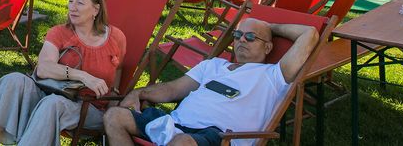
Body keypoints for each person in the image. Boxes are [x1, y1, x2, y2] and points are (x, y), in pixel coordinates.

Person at [102, 17, 319, 146]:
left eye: (251, 37)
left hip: (219, 136)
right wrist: (139, 93)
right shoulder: (214, 65)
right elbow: (173, 88)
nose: (241, 40)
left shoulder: (273, 75)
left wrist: (271, 27)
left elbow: (310, 34)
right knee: (114, 116)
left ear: (268, 47)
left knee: (183, 143)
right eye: (237, 35)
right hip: (175, 123)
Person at [0, 0, 127, 146]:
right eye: (70, 1)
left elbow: (119, 70)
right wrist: (83, 76)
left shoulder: (116, 38)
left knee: (52, 104)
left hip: (90, 108)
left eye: (80, 3)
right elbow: (44, 68)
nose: (72, 7)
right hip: (51, 91)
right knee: (13, 81)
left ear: (96, 10)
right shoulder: (60, 32)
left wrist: (114, 108)